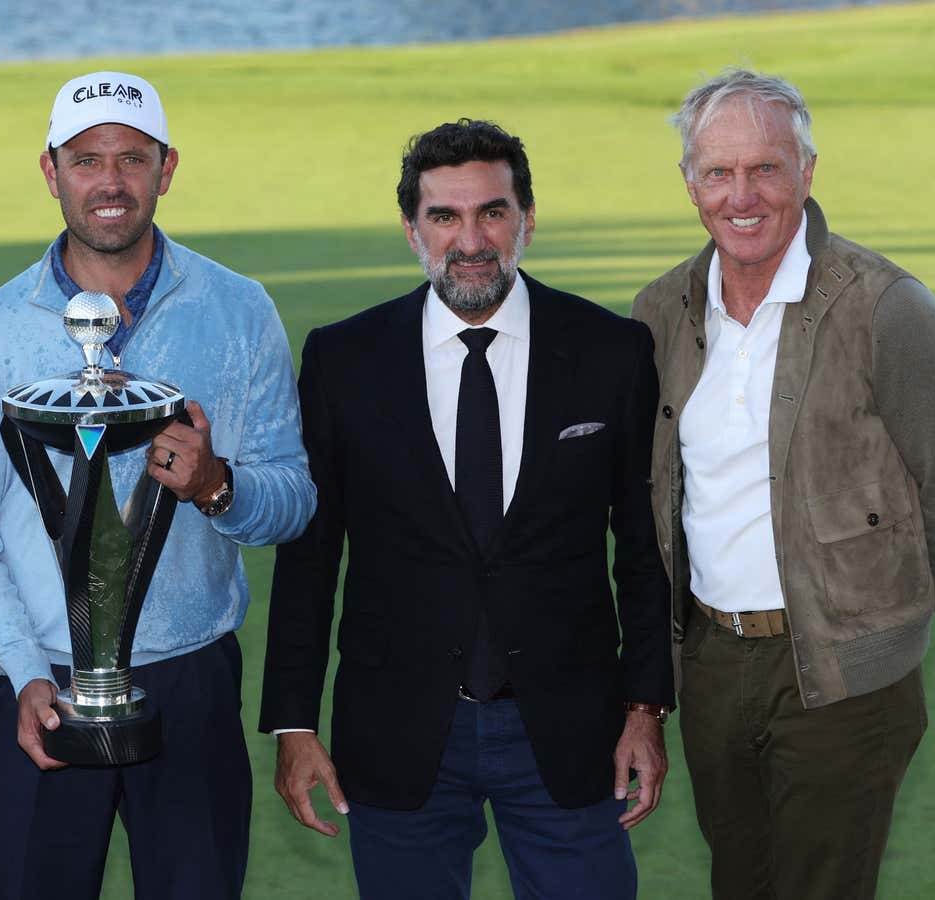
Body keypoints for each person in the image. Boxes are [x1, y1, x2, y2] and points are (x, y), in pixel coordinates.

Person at [260, 119, 674, 899]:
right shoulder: (343, 359)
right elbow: (310, 556)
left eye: (492, 211)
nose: (471, 239)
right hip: (398, 727)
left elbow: (643, 546)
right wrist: (294, 723)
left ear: (527, 218)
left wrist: (646, 708)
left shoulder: (610, 351)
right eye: (444, 217)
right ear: (412, 229)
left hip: (570, 728)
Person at [0, 71, 315, 900]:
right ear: (51, 170)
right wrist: (23, 671)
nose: (110, 182)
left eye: (132, 159)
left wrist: (218, 487)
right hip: (36, 685)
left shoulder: (239, 310)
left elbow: (293, 499)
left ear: (166, 169)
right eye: (88, 159)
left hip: (190, 681)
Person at [631, 68, 935, 899]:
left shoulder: (887, 308)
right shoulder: (658, 314)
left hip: (845, 678)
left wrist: (882, 608)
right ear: (690, 184)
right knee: (742, 882)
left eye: (766, 167)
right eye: (718, 173)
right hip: (714, 668)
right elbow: (653, 497)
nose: (742, 195)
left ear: (807, 171)